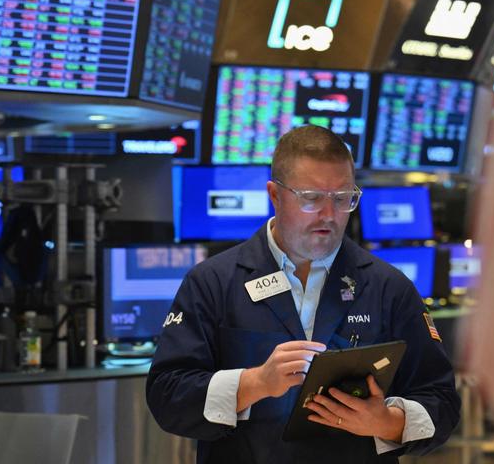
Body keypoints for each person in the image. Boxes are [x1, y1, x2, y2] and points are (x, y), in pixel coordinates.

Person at [147, 125, 460, 463]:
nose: (329, 214)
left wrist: (386, 421)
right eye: (311, 198)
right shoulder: (213, 281)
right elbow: (167, 395)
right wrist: (255, 383)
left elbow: (440, 401)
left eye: (342, 199)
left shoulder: (388, 287)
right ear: (275, 195)